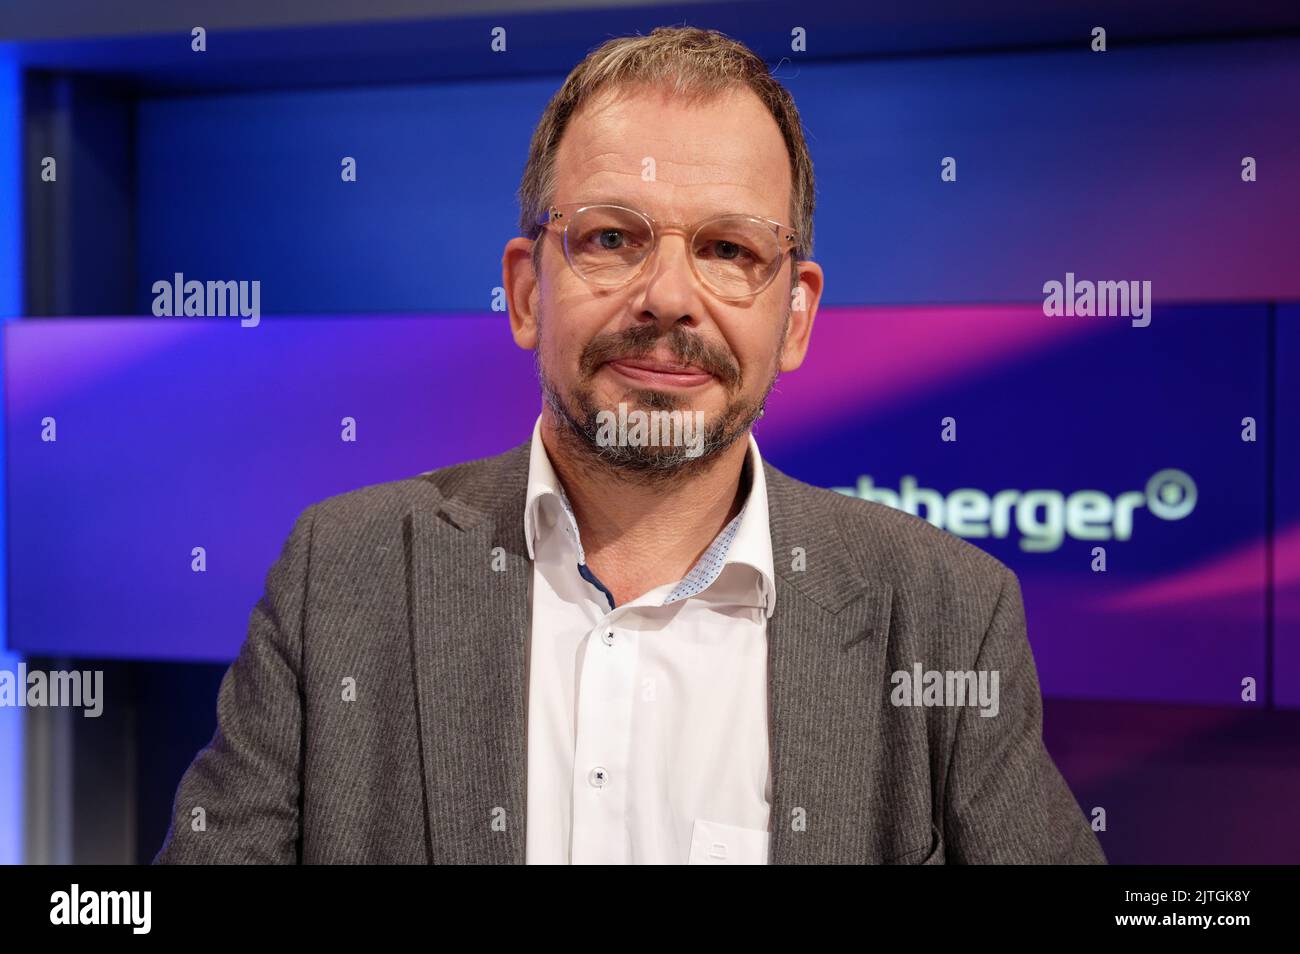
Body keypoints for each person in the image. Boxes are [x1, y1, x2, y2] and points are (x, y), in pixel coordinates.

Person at [156, 26, 1104, 865]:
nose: (667, 297)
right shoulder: (342, 576)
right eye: (613, 237)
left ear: (797, 315)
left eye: (730, 250)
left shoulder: (946, 612)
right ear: (527, 292)